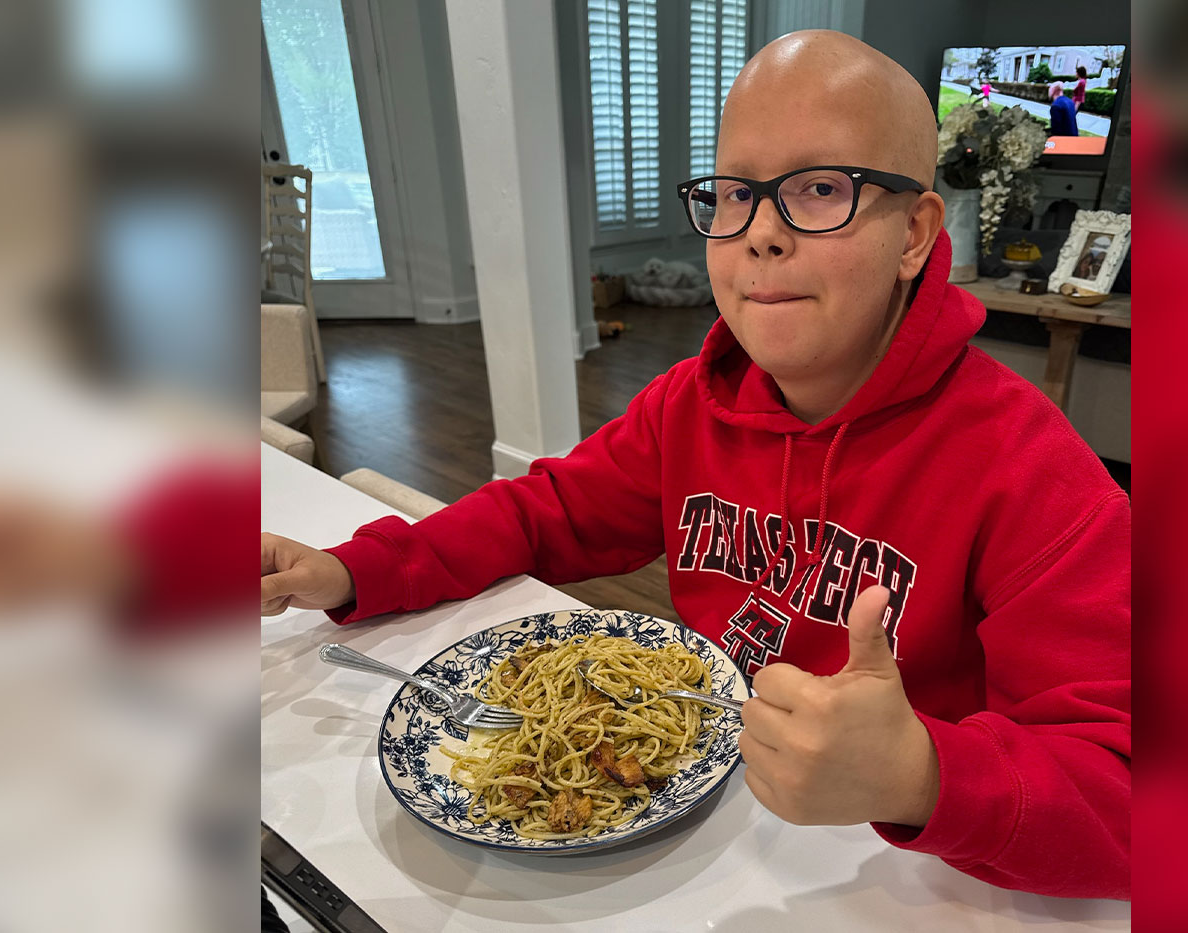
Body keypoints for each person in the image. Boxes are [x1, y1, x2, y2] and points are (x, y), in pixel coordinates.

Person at [261, 30, 1130, 900]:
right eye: (732, 195)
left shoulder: (1035, 476)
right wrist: (354, 566)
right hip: (693, 828)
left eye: (820, 189)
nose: (759, 235)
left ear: (913, 233)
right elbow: (544, 512)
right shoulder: (689, 405)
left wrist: (924, 775)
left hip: (899, 874)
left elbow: (1127, 797)